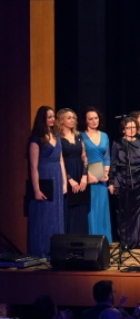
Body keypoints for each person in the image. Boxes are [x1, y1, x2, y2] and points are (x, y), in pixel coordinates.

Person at [27, 106, 66, 258]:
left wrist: (64, 183)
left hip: (57, 176)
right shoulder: (36, 138)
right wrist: (36, 189)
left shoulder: (57, 135)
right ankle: (42, 250)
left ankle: (56, 250)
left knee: (56, 214)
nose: (52, 119)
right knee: (44, 215)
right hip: (44, 177)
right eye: (49, 117)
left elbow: (61, 160)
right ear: (42, 119)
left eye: (53, 117)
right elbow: (33, 166)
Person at [107, 117, 140, 250]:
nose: (131, 130)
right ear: (123, 129)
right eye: (128, 128)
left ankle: (134, 241)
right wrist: (112, 181)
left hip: (137, 181)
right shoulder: (118, 143)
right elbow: (114, 163)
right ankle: (124, 242)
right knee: (122, 212)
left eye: (133, 127)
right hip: (121, 180)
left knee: (135, 212)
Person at [81, 108, 112, 244]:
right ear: (85, 121)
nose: (94, 121)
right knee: (91, 209)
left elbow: (107, 157)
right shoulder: (81, 135)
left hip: (102, 177)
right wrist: (88, 175)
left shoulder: (104, 135)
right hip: (88, 175)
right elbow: (81, 158)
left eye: (96, 118)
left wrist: (106, 173)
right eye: (90, 119)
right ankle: (92, 240)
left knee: (102, 208)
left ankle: (103, 241)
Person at [57, 108, 89, 236]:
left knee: (81, 207)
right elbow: (60, 160)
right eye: (69, 118)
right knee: (69, 208)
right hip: (66, 173)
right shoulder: (58, 137)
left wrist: (84, 176)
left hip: (80, 172)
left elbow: (84, 156)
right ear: (61, 120)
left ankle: (81, 239)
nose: (72, 120)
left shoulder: (78, 136)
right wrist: (69, 179)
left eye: (74, 118)